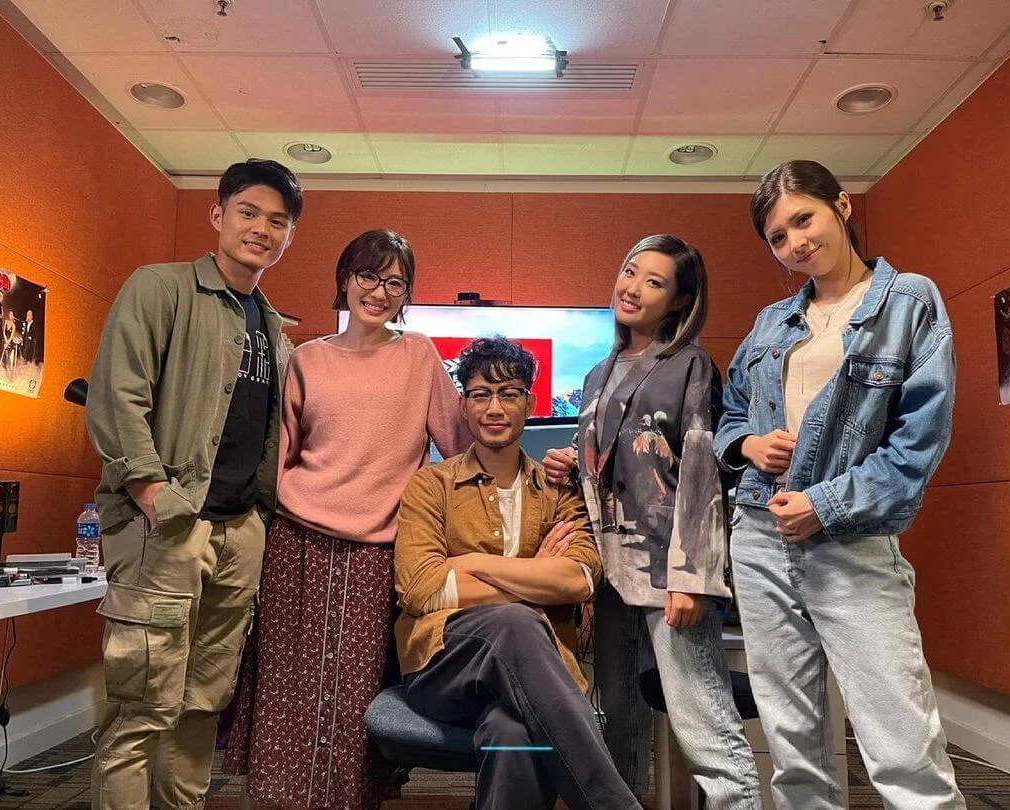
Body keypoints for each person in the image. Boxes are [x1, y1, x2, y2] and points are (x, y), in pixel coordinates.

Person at [714, 159, 964, 809]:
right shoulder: (772, 322)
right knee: (793, 749)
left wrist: (823, 504)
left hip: (851, 540)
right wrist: (747, 444)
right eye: (777, 236)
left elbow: (918, 444)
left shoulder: (909, 300)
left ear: (842, 207)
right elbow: (730, 413)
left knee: (902, 747)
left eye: (804, 219)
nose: (795, 243)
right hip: (760, 538)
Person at [225, 229, 471, 810]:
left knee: (358, 691)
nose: (379, 292)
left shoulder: (419, 356)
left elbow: (460, 448)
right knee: (287, 682)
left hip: (378, 552)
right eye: (368, 276)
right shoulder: (306, 359)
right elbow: (279, 456)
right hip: (297, 541)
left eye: (395, 283)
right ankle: (282, 799)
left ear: (406, 295)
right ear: (344, 279)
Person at [85, 158, 303, 810]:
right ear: (218, 214)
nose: (261, 229)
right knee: (141, 706)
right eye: (248, 212)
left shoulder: (275, 329)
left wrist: (260, 517)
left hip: (239, 533)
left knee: (204, 701)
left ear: (289, 237)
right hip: (167, 528)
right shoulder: (160, 288)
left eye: (277, 221)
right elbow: (117, 397)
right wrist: (152, 492)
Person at [544, 235, 761, 807]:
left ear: (680, 300)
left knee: (706, 728)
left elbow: (702, 472)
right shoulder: (597, 374)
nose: (633, 288)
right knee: (617, 720)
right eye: (630, 271)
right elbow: (617, 467)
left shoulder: (690, 365)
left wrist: (692, 577)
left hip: (668, 572)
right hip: (608, 574)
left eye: (654, 282)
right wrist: (571, 463)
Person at [395, 336, 640, 810]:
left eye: (508, 394)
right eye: (480, 394)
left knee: (513, 732)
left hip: (534, 681)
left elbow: (580, 580)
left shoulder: (559, 490)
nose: (494, 408)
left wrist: (475, 565)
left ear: (529, 403)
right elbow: (423, 589)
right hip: (442, 667)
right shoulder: (431, 486)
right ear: (463, 405)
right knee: (516, 621)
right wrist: (534, 580)